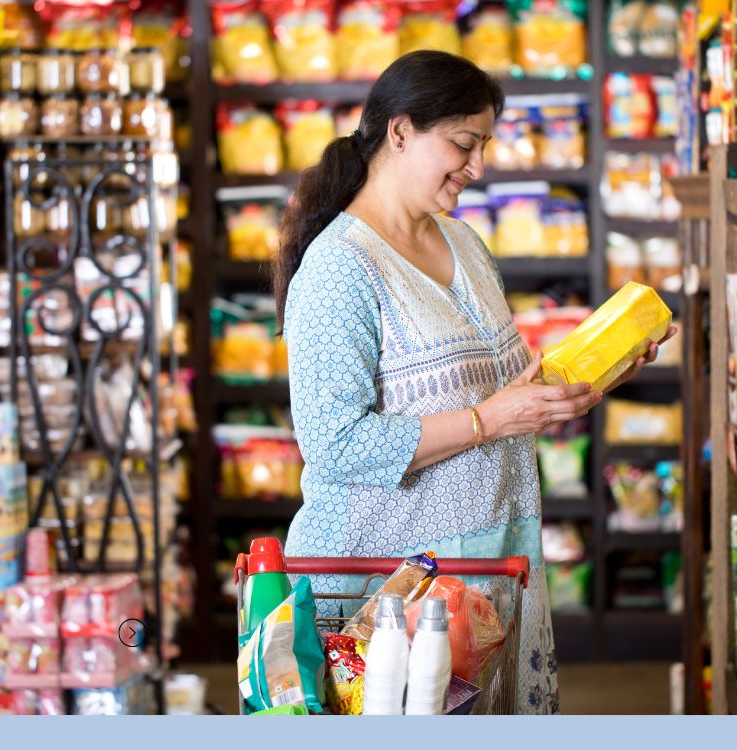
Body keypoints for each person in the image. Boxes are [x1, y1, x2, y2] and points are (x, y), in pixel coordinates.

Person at [275, 50, 675, 715]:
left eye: (483, 145)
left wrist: (600, 368)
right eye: (463, 144)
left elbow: (503, 387)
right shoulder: (338, 270)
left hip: (485, 574)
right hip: (389, 592)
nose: (478, 167)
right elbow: (335, 445)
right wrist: (489, 420)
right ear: (399, 132)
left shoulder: (464, 244)